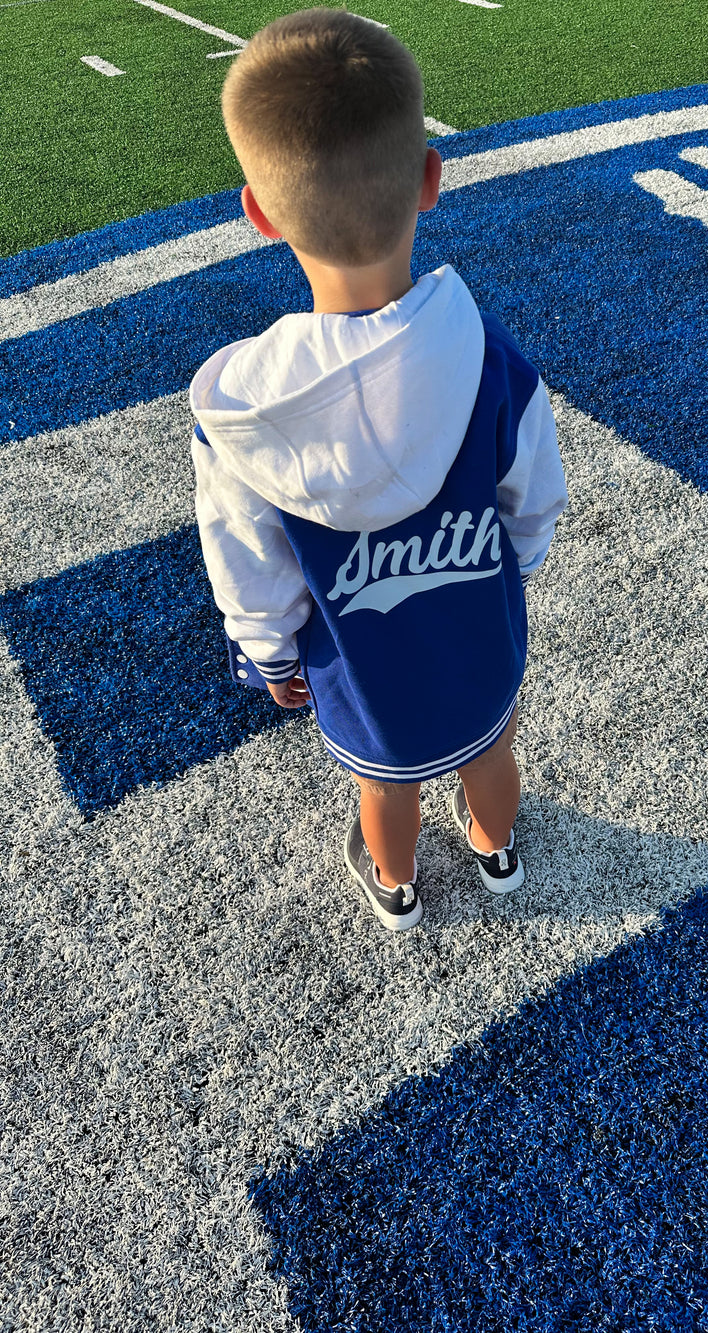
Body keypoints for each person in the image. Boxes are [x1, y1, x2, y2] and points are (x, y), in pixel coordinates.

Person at [189, 8, 567, 931]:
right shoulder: (492, 358)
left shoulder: (243, 414)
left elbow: (248, 562)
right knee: (493, 753)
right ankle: (495, 848)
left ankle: (395, 884)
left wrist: (271, 654)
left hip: (367, 675)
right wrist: (508, 571)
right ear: (431, 179)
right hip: (483, 642)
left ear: (260, 216)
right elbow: (535, 499)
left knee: (385, 787)